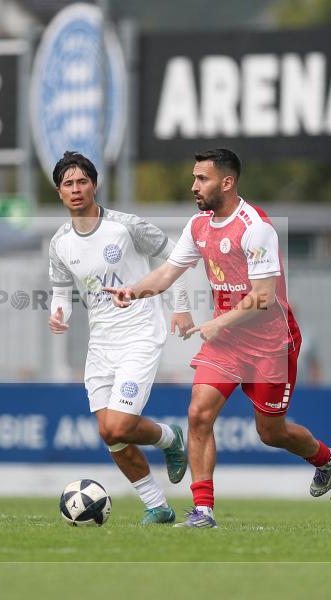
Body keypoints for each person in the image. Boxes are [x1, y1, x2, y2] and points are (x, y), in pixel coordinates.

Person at [105, 149, 331, 528]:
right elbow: (168, 272)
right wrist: (132, 291)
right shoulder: (198, 225)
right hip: (227, 343)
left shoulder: (256, 227)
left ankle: (326, 459)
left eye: (202, 179)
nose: (194, 186)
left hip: (271, 344)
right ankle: (203, 511)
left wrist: (220, 322)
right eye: (194, 178)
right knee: (198, 413)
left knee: (271, 432)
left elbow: (263, 296)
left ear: (227, 182)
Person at [47, 151, 193, 525]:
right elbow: (62, 291)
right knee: (109, 433)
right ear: (59, 192)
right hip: (101, 344)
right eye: (68, 184)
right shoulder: (60, 243)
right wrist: (59, 313)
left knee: (122, 425)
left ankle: (170, 438)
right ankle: (158, 507)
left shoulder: (126, 226)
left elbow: (176, 257)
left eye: (82, 181)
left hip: (140, 333)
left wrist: (180, 306)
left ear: (94, 185)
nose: (76, 189)